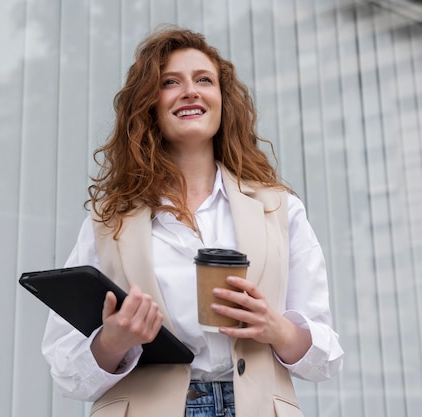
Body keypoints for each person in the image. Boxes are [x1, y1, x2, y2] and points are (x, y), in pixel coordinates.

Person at [42, 26, 343, 417]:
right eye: (171, 82)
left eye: (204, 80)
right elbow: (65, 369)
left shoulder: (279, 209)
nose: (191, 91)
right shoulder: (108, 222)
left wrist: (277, 328)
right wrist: (113, 342)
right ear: (149, 105)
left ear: (222, 100)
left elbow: (327, 358)